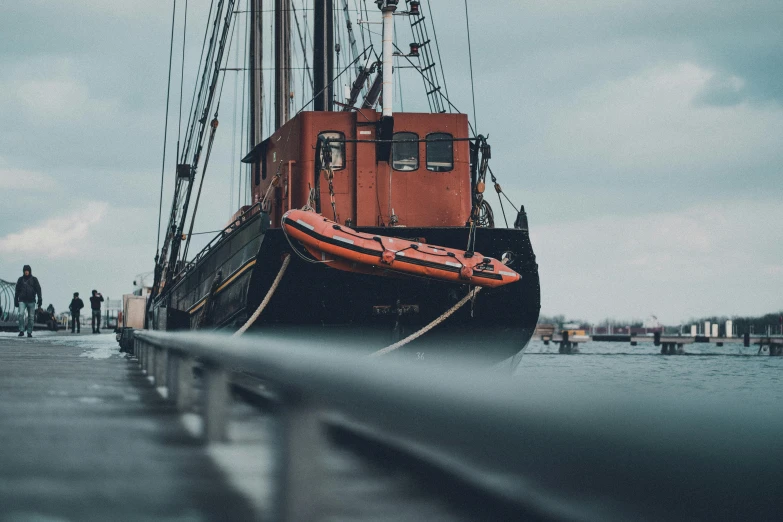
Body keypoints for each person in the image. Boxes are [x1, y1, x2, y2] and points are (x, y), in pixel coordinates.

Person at [14, 265, 42, 338]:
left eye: (27, 270)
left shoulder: (34, 279)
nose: (26, 272)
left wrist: (40, 299)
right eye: (25, 271)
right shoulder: (20, 280)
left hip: (31, 301)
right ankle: (21, 330)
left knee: (31, 318)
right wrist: (15, 300)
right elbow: (17, 291)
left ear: (29, 271)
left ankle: (29, 332)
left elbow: (38, 289)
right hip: (22, 300)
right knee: (20, 315)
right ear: (23, 271)